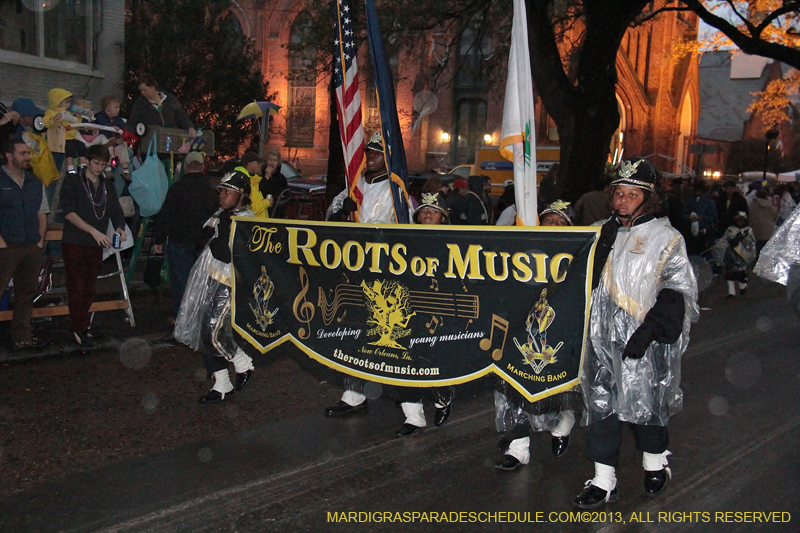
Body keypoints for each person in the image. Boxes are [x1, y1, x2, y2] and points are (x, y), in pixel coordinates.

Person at [574, 157, 698, 509]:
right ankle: (602, 479)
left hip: (643, 339)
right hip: (598, 340)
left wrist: (649, 333)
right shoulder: (600, 231)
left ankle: (655, 462)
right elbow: (574, 276)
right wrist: (601, 245)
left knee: (646, 406)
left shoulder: (666, 237)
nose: (623, 201)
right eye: (619, 194)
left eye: (632, 194)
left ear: (648, 198)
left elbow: (676, 290)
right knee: (601, 407)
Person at [325, 132, 413, 416]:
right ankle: (354, 394)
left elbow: (409, 232)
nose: (370, 157)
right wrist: (342, 213)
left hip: (384, 273)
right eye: (369, 152)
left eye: (377, 153)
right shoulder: (354, 185)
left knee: (391, 336)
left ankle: (412, 407)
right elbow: (330, 217)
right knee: (356, 334)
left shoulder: (396, 190)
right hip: (354, 271)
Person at [494, 200, 584, 470]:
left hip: (562, 329)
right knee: (514, 382)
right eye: (549, 220)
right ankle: (518, 447)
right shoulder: (520, 250)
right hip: (521, 327)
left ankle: (564, 424)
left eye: (560, 222)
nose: (553, 226)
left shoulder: (579, 256)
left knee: (561, 384)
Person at [173, 170, 256, 403]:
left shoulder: (245, 220)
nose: (222, 196)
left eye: (227, 192)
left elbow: (230, 254)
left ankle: (242, 362)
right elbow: (204, 242)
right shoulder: (221, 215)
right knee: (204, 328)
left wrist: (222, 230)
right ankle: (221, 383)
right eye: (221, 191)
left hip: (231, 283)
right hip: (211, 277)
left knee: (215, 329)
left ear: (240, 196)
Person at [392, 192, 454, 436]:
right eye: (424, 210)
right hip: (408, 310)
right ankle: (413, 415)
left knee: (435, 358)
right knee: (403, 359)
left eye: (434, 210)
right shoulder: (404, 239)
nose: (428, 213)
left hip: (439, 311)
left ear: (443, 217)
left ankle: (442, 398)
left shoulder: (456, 242)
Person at [60, 145, 127, 346]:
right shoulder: (73, 180)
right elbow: (69, 212)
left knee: (88, 286)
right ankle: (78, 325)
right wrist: (93, 231)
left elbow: (116, 210)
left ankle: (83, 325)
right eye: (96, 163)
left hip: (95, 243)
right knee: (77, 285)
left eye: (103, 164)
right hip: (76, 240)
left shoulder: (107, 185)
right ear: (88, 161)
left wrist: (119, 227)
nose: (98, 168)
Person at [152, 152, 219, 318]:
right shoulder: (211, 189)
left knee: (181, 280)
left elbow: (167, 216)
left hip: (180, 239)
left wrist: (159, 239)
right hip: (204, 242)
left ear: (186, 167)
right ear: (203, 167)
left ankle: (182, 316)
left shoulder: (177, 188)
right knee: (201, 280)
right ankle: (199, 317)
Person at [0, 139, 49, 349]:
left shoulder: (34, 182)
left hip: (30, 244)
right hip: (7, 245)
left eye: (27, 153)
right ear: (8, 156)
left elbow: (42, 212)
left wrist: (40, 239)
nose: (27, 157)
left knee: (26, 294)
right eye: (22, 153)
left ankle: (22, 336)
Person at [127, 74, 196, 137]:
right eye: (140, 91)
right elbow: (133, 122)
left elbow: (180, 115)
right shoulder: (140, 104)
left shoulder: (169, 99)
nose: (143, 93)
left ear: (153, 86)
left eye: (145, 90)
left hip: (171, 136)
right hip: (151, 140)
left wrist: (189, 126)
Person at [711, 212, 756, 298]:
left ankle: (742, 286)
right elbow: (726, 239)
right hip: (731, 255)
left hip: (742, 255)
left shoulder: (748, 230)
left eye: (742, 221)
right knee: (730, 274)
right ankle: (731, 291)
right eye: (739, 220)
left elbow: (751, 242)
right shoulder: (730, 229)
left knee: (741, 273)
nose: (740, 222)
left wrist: (743, 239)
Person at [43, 88, 87, 174]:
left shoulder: (68, 113)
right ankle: (70, 168)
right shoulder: (50, 113)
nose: (69, 104)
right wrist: (54, 119)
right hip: (60, 139)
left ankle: (83, 166)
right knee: (69, 148)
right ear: (57, 102)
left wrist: (78, 118)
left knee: (81, 146)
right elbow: (45, 123)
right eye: (66, 102)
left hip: (71, 137)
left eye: (69, 102)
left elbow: (75, 123)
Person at [93, 95, 131, 178]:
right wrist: (110, 127)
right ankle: (108, 169)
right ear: (107, 109)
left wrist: (122, 138)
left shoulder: (118, 120)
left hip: (116, 143)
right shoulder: (99, 117)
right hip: (105, 143)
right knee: (108, 149)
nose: (118, 110)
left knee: (123, 150)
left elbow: (126, 129)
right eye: (116, 107)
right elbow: (98, 126)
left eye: (118, 107)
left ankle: (125, 170)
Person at [682, 181, 717, 255]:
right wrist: (688, 217)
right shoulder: (691, 200)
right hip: (691, 232)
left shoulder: (709, 202)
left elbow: (713, 217)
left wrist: (702, 218)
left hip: (704, 233)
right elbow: (684, 213)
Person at [255, 149, 288, 216]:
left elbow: (285, 195)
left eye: (274, 160)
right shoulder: (259, 175)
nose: (272, 163)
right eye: (270, 160)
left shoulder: (281, 178)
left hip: (277, 212)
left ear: (278, 163)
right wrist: (266, 177)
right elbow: (258, 190)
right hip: (262, 210)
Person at [749, 188, 778, 255]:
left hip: (755, 228)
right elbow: (775, 214)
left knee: (757, 246)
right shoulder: (769, 205)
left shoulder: (752, 204)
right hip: (767, 229)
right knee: (765, 247)